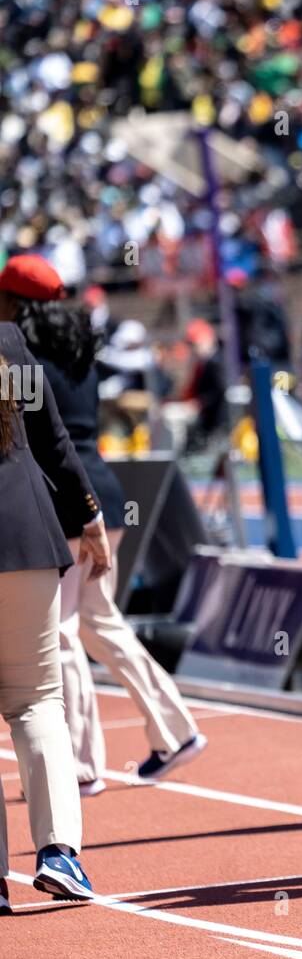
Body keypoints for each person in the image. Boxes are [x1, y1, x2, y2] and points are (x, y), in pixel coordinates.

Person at [6, 256, 208, 788]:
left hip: (66, 502)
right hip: (105, 495)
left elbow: (45, 445)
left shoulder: (24, 360)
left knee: (64, 631)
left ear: (15, 304)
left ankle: (78, 765)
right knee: (100, 622)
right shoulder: (77, 354)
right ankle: (175, 730)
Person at [0, 257, 112, 913]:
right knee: (38, 701)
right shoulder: (14, 350)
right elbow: (54, 444)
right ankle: (60, 853)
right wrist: (91, 517)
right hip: (24, 536)